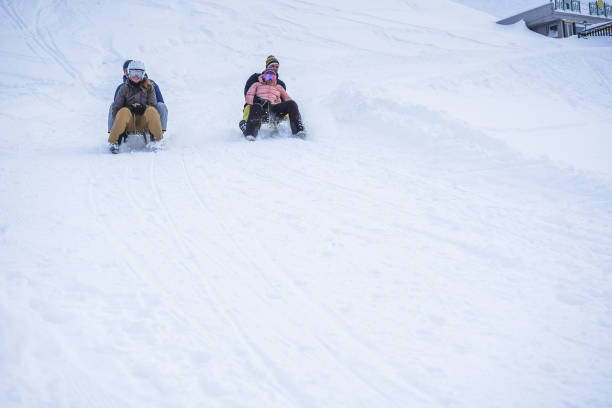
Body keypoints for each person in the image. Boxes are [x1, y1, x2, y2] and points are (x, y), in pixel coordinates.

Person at [108, 60, 163, 153]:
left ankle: (157, 140)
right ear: (129, 73)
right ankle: (114, 141)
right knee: (124, 111)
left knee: (151, 111)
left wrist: (143, 107)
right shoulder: (124, 88)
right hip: (129, 123)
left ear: (143, 74)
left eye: (139, 73)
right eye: (133, 73)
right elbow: (116, 108)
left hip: (144, 123)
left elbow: (153, 105)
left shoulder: (150, 87)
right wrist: (128, 109)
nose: (136, 76)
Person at [243, 68, 305, 140]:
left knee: (292, 104)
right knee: (256, 106)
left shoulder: (279, 87)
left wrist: (292, 108)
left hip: (275, 109)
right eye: (268, 77)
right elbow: (249, 95)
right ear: (264, 76)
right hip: (262, 108)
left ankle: (298, 129)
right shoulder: (257, 84)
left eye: (273, 77)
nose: (270, 79)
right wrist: (255, 102)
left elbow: (287, 99)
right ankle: (250, 133)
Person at [239, 55, 287, 133]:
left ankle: (287, 126)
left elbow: (282, 99)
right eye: (272, 66)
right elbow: (248, 94)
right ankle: (246, 124)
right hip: (258, 107)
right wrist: (259, 100)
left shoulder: (280, 84)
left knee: (286, 106)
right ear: (267, 67)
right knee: (249, 105)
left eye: (277, 67)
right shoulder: (255, 78)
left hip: (273, 108)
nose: (275, 68)